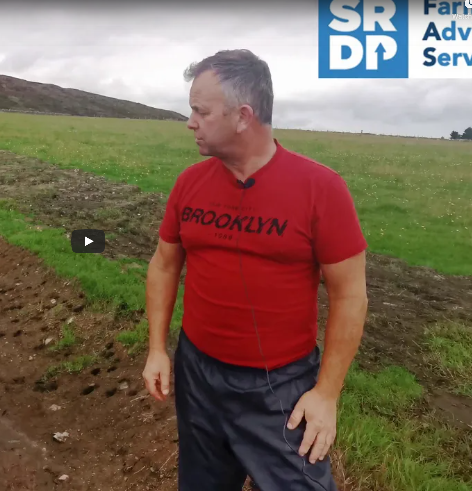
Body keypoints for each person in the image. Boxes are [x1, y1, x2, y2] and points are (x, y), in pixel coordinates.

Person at [142, 49, 369, 491]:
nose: (190, 121)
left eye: (200, 111)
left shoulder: (321, 189)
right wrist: (157, 348)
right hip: (198, 375)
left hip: (278, 389)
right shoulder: (190, 183)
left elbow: (350, 295)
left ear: (243, 115)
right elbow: (164, 264)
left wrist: (326, 394)